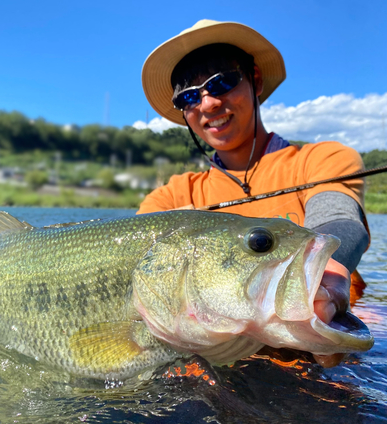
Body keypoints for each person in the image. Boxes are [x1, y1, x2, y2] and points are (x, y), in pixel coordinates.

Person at [137, 20, 370, 367]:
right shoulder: (169, 197)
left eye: (222, 82)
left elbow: (339, 220)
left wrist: (331, 275)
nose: (209, 103)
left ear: (255, 81)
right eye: (189, 96)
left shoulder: (324, 159)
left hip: (319, 360)